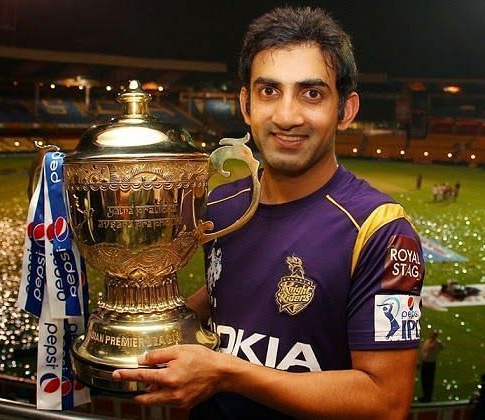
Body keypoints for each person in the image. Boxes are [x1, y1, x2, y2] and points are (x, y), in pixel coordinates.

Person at [113, 6, 425, 419]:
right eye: (269, 91)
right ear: (245, 104)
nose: (286, 116)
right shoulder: (221, 207)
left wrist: (229, 374)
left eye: (311, 93)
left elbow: (386, 402)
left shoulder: (382, 232)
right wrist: (144, 322)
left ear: (345, 110)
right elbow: (232, 291)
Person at [418, 330, 444, 402]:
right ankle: (425, 395)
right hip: (425, 362)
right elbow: (423, 352)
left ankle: (428, 397)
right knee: (424, 380)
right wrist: (419, 362)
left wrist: (438, 342)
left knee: (429, 381)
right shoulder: (427, 342)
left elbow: (442, 347)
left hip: (430, 363)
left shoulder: (437, 343)